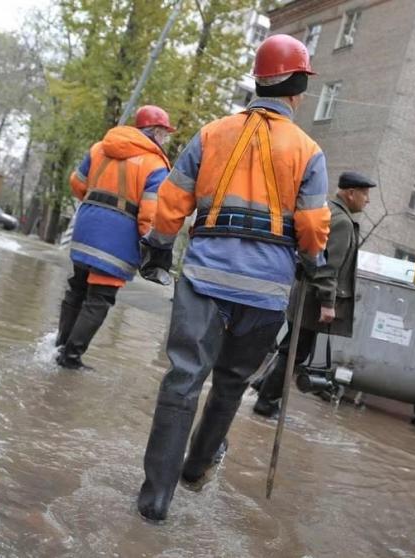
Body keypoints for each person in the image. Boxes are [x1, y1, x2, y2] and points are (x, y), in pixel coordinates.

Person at [135, 34, 330, 522]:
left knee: (183, 379)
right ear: (297, 86)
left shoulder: (210, 134)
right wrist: (313, 261)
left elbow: (172, 204)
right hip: (265, 293)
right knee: (230, 385)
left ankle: (155, 501)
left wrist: (158, 250)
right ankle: (196, 469)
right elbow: (310, 229)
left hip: (203, 278)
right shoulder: (309, 151)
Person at [54, 105, 175, 369]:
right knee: (100, 297)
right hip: (117, 238)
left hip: (86, 226)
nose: (166, 138)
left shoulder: (100, 148)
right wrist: (152, 247)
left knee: (77, 287)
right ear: (155, 131)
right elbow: (149, 216)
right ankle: (71, 358)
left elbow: (77, 183)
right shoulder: (155, 164)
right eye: (165, 133)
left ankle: (60, 347)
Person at [253, 171, 375, 417]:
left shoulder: (329, 211)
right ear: (350, 193)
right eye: (365, 194)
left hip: (307, 293)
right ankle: (267, 402)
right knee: (295, 352)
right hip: (314, 298)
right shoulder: (341, 221)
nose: (367, 200)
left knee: (291, 347)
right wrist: (328, 303)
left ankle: (263, 386)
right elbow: (328, 266)